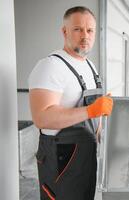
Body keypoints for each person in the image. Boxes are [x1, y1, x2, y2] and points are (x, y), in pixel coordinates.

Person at [28, 6, 113, 200]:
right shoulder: (51, 66)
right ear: (64, 31)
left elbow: (93, 116)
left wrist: (104, 139)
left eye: (90, 30)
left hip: (87, 154)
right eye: (78, 29)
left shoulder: (90, 66)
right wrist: (90, 110)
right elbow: (42, 117)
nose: (85, 36)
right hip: (61, 158)